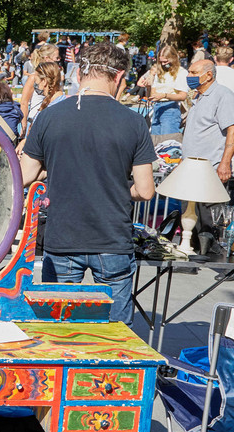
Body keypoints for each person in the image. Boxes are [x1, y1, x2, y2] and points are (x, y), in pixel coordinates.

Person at [19, 41, 156, 325]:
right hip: (112, 238)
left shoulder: (49, 116)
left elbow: (24, 175)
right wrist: (118, 188)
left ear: (79, 75)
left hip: (62, 238)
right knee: (116, 335)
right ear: (119, 77)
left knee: (59, 330)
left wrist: (54, 173)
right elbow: (145, 190)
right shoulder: (134, 122)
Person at [182, 59, 234, 224]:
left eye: (193, 73)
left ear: (208, 75)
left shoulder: (223, 95)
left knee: (208, 223)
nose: (189, 76)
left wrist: (225, 163)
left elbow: (233, 130)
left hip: (210, 169)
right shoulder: (198, 97)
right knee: (189, 220)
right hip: (190, 169)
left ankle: (209, 250)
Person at [136, 45, 188, 135]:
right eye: (161, 61)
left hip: (171, 108)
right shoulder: (159, 73)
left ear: (174, 58)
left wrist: (164, 95)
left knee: (168, 141)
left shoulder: (181, 72)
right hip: (157, 108)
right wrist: (148, 86)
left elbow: (183, 96)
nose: (163, 64)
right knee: (155, 140)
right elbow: (152, 95)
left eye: (166, 61)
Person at [21, 61, 64, 140]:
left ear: (44, 81)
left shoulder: (49, 111)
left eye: (36, 81)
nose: (36, 85)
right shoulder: (62, 102)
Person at [18, 43, 58, 124]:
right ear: (47, 58)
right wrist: (24, 123)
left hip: (53, 121)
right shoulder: (34, 78)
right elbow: (24, 102)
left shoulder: (57, 77)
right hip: (35, 121)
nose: (58, 60)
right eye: (56, 58)